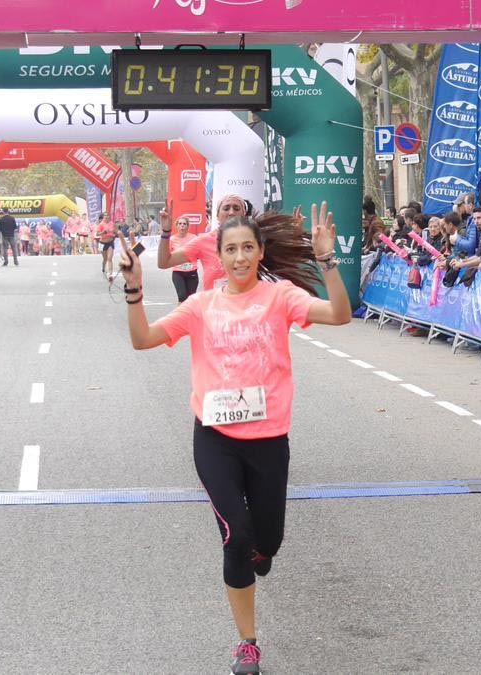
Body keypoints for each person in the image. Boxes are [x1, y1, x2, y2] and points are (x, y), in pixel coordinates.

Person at [117, 203, 352, 675]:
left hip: (269, 440)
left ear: (260, 252)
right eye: (231, 249)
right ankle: (247, 643)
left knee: (268, 540)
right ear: (218, 256)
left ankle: (260, 550)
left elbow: (340, 315)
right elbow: (143, 339)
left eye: (248, 247)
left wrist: (328, 262)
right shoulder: (201, 305)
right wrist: (134, 288)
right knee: (236, 536)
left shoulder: (280, 296)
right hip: (216, 440)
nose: (240, 257)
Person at [158, 195, 249, 290]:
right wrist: (166, 232)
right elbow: (164, 262)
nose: (231, 212)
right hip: (214, 303)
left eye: (236, 208)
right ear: (217, 216)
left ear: (244, 215)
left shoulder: (255, 241)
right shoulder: (204, 241)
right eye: (226, 208)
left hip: (246, 303)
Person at [168, 216, 200, 302]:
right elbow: (167, 256)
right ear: (177, 226)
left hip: (192, 272)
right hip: (178, 272)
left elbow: (199, 253)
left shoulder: (194, 238)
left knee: (191, 300)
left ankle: (190, 315)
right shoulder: (172, 239)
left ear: (187, 226)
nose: (182, 226)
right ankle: (180, 315)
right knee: (182, 296)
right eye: (180, 224)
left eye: (184, 224)